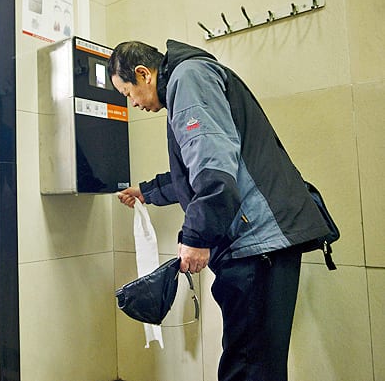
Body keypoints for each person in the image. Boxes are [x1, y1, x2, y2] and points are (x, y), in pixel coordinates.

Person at [108, 39, 330, 381]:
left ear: (143, 74)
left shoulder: (188, 78)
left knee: (248, 366)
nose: (133, 103)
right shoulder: (193, 77)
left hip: (256, 246)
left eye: (128, 93)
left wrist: (197, 237)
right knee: (259, 363)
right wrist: (146, 192)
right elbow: (199, 169)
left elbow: (214, 172)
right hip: (262, 243)